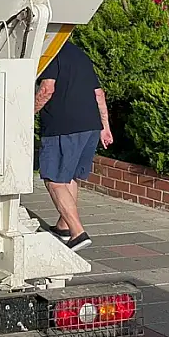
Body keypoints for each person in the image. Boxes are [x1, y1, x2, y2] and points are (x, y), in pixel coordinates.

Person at [34, 40, 112, 253]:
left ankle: (77, 233)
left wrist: (27, 112)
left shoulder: (49, 53)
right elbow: (99, 94)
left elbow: (47, 89)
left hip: (63, 126)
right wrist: (105, 127)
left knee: (54, 180)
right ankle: (63, 227)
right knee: (69, 178)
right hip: (90, 126)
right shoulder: (80, 55)